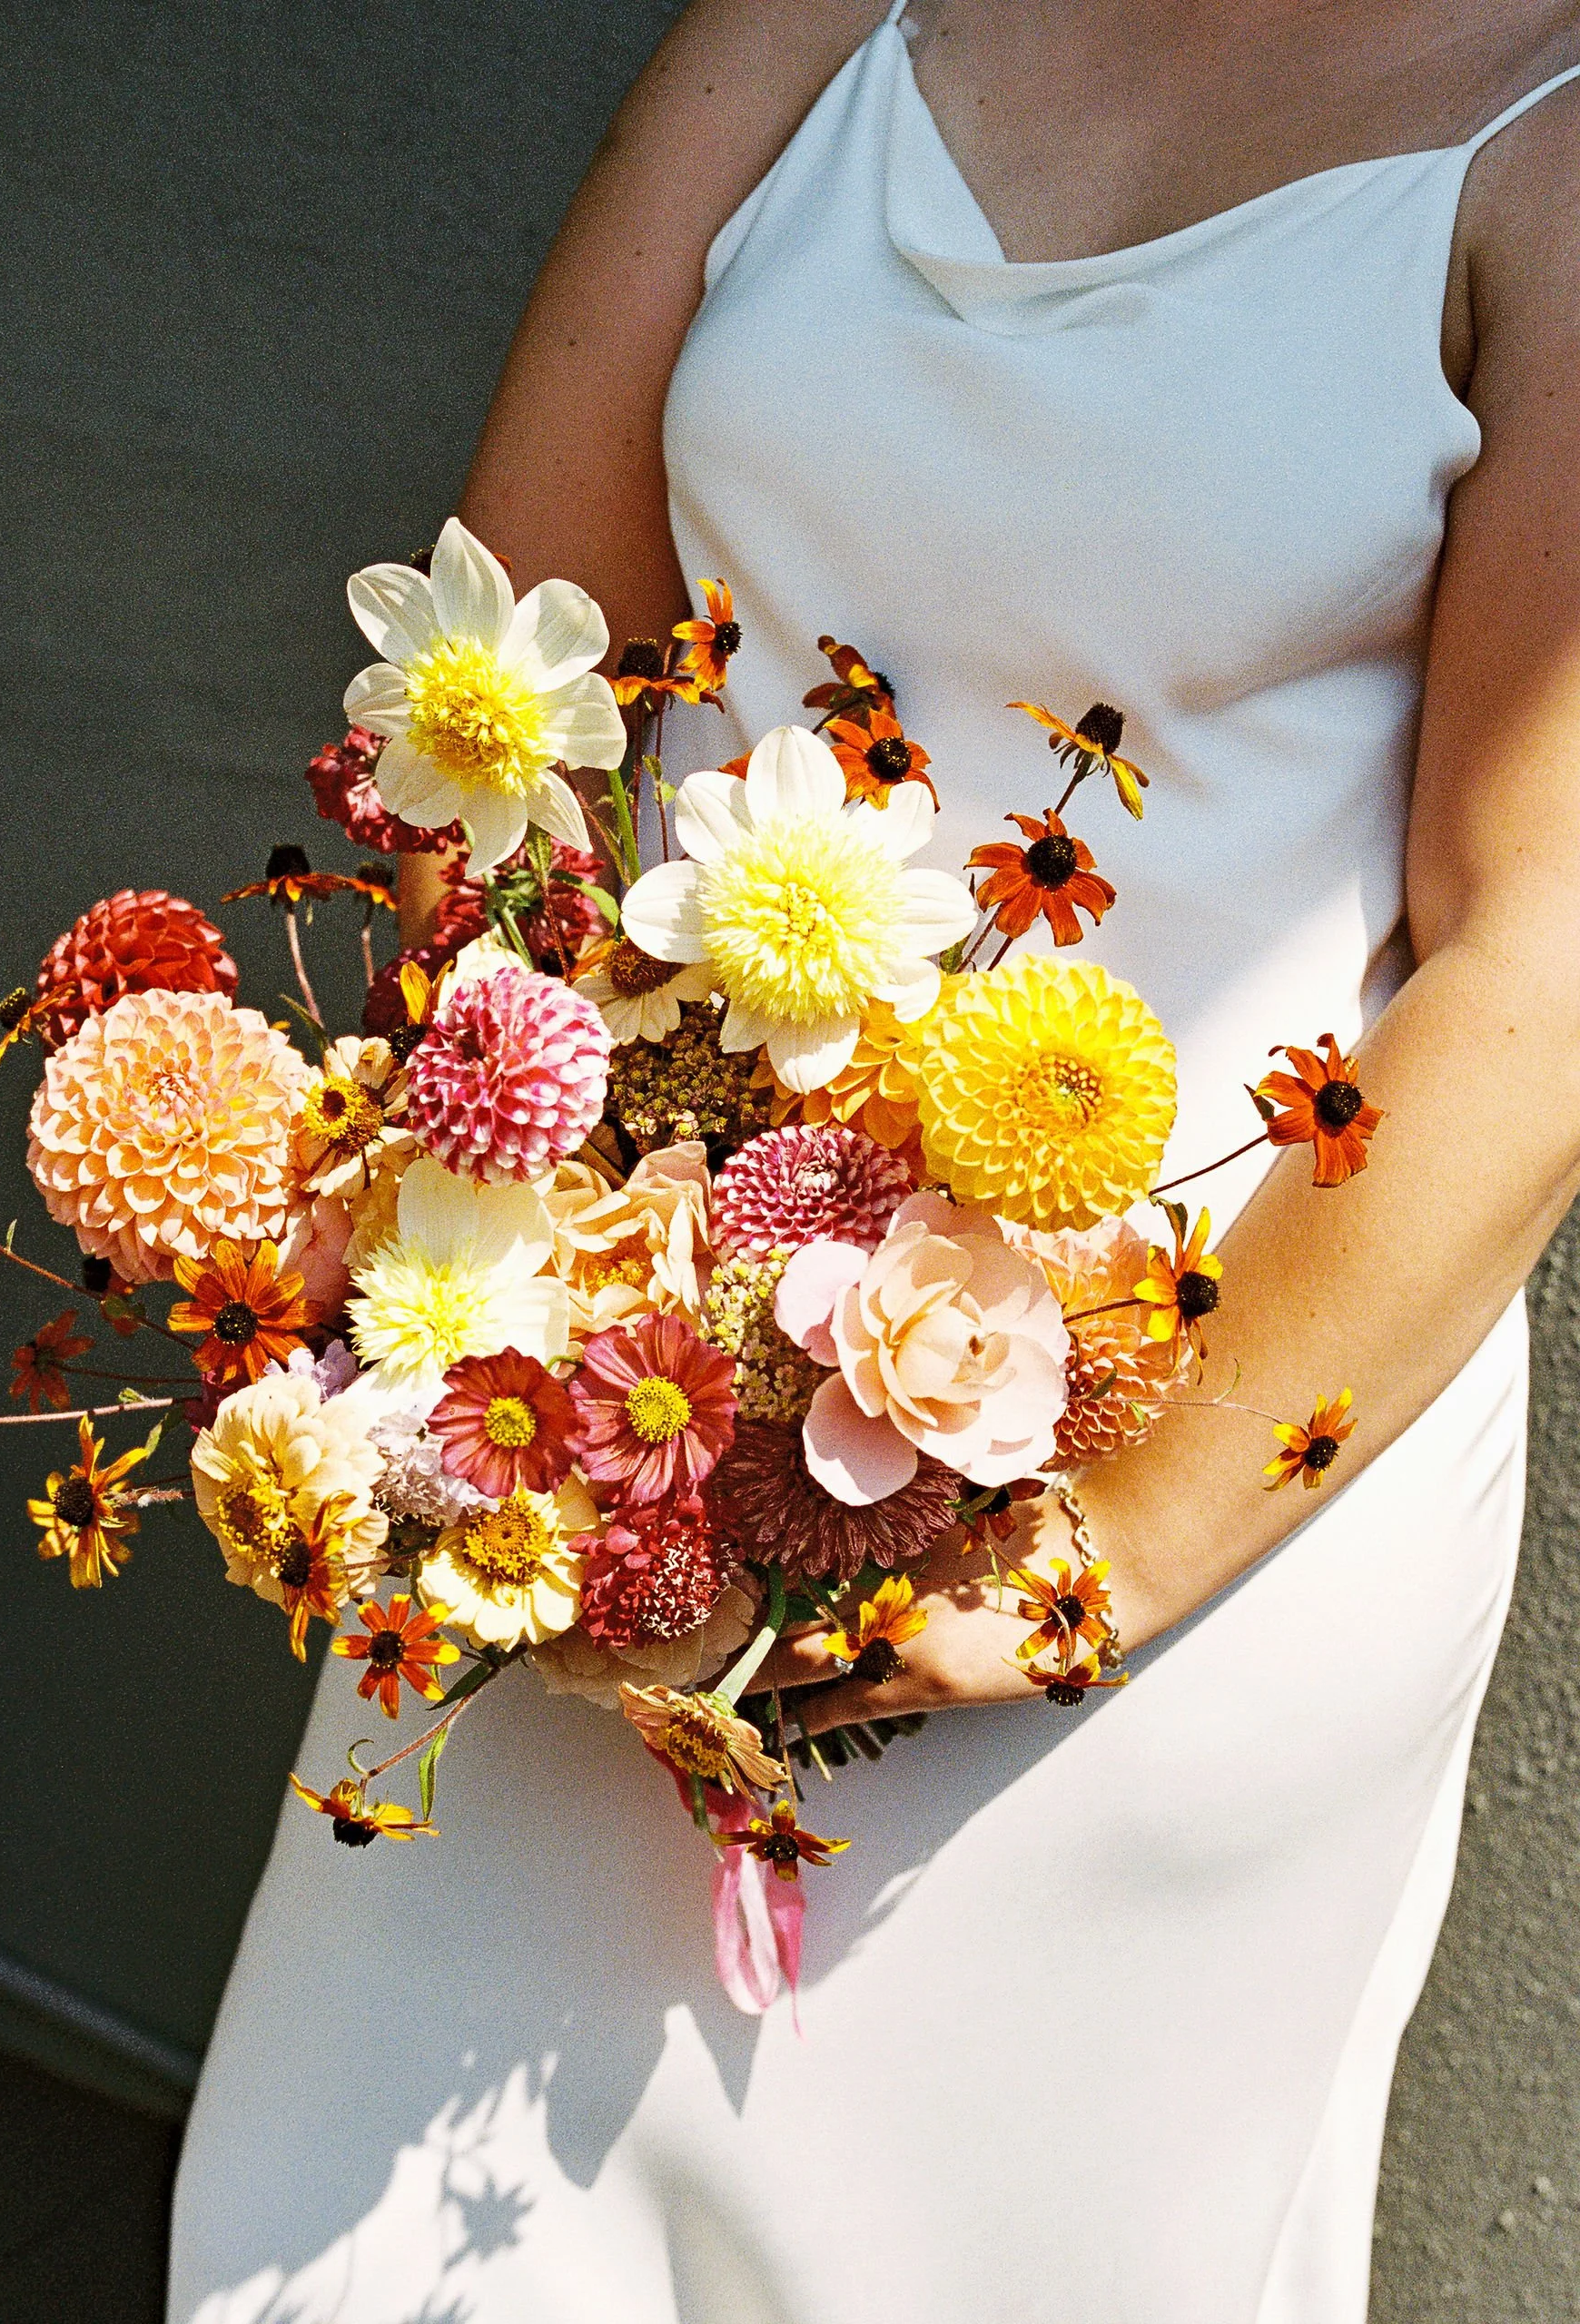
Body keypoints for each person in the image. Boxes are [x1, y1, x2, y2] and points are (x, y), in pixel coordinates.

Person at [170, 5, 1580, 2318]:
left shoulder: (1542, 147)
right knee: (347, 2249)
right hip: (603, 1411)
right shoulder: (819, 23)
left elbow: (1539, 960)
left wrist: (1086, 1559)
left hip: (1185, 1480)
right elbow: (517, 655)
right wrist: (508, 1224)